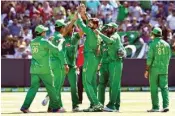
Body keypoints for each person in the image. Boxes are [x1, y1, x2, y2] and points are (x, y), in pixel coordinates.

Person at [20, 25, 63, 113]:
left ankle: (25, 107)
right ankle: (56, 108)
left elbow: (42, 47)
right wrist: (61, 42)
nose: (46, 32)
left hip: (34, 69)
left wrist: (48, 41)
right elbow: (57, 50)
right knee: (51, 88)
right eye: (44, 31)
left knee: (33, 88)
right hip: (45, 69)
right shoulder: (45, 42)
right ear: (42, 33)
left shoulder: (32, 42)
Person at [42, 14, 78, 112]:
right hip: (59, 64)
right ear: (62, 28)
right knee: (57, 86)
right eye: (64, 27)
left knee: (55, 85)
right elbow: (61, 52)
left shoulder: (52, 37)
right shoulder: (61, 38)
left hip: (52, 63)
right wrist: (65, 64)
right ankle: (56, 107)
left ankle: (51, 106)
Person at [76, 4, 103, 112]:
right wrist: (85, 14)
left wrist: (78, 13)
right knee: (92, 83)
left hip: (90, 58)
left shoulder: (90, 32)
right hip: (95, 59)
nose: (89, 23)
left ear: (94, 25)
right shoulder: (97, 32)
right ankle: (93, 104)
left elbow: (80, 24)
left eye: (91, 23)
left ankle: (96, 103)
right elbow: (88, 22)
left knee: (86, 82)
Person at [94, 22, 126, 112]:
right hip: (106, 63)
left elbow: (110, 41)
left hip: (115, 62)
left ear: (114, 29)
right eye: (107, 28)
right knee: (101, 84)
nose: (107, 29)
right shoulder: (105, 38)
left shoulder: (115, 36)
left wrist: (99, 33)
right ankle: (100, 104)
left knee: (114, 85)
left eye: (110, 28)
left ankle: (113, 105)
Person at [144, 27, 171, 112]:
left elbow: (149, 58)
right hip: (164, 68)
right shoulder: (167, 44)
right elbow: (169, 57)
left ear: (153, 34)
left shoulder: (152, 44)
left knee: (154, 88)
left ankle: (155, 107)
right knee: (164, 87)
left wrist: (147, 70)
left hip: (154, 69)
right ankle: (166, 106)